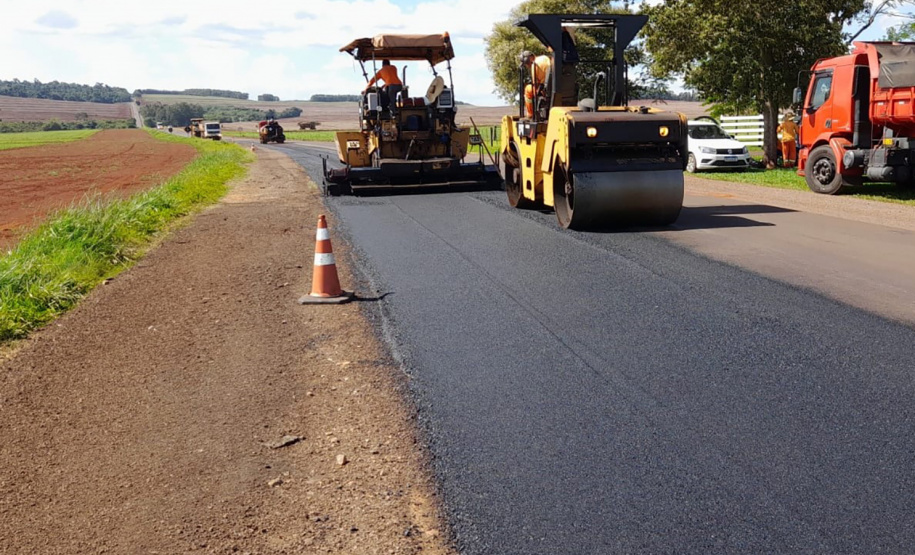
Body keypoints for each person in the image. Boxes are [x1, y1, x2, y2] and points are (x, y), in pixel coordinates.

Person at [521, 50, 552, 118]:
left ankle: (530, 114)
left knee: (528, 89)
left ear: (530, 58)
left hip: (545, 90)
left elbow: (535, 84)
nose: (527, 66)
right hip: (552, 86)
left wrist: (537, 92)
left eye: (526, 63)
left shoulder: (534, 65)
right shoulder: (544, 58)